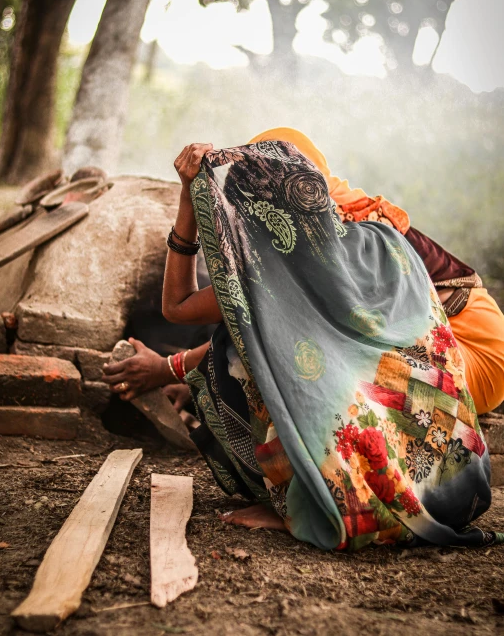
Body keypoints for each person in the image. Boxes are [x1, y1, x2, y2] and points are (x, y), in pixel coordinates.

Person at [104, 135, 502, 551]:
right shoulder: (349, 232)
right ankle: (351, 481)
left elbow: (192, 310)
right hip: (445, 426)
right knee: (288, 343)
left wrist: (189, 196)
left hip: (468, 363)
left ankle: (315, 501)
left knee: (248, 350)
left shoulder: (304, 258)